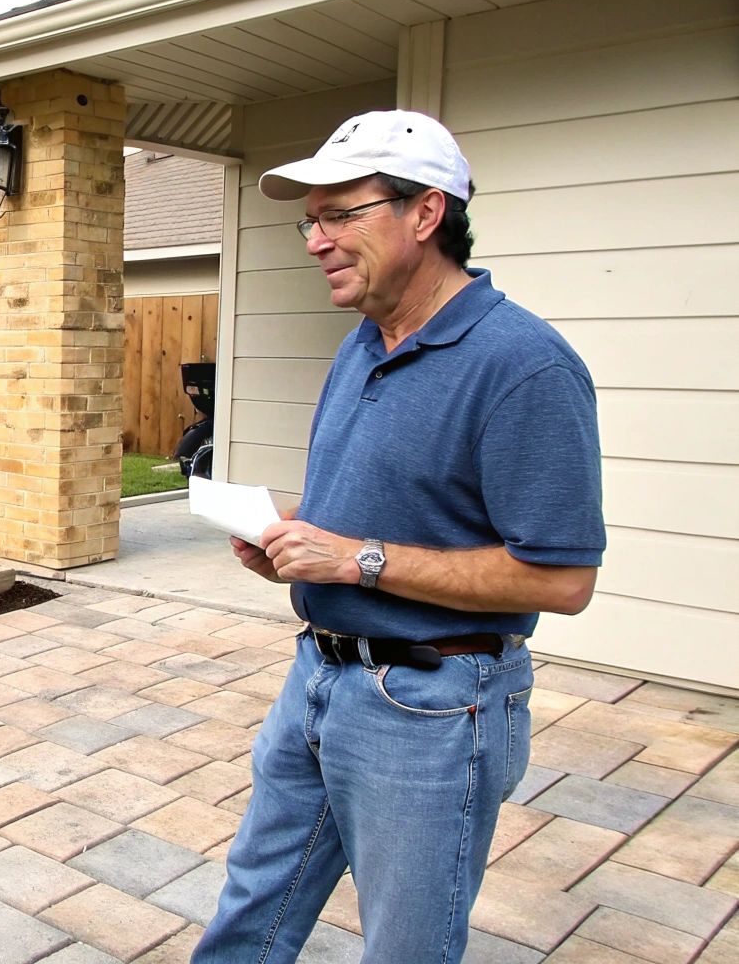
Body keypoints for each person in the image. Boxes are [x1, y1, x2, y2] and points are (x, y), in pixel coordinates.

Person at [193, 110, 605, 963]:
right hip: (316, 678)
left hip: (432, 708)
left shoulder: (524, 365)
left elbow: (562, 581)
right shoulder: (360, 346)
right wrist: (292, 538)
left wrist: (357, 561)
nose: (317, 240)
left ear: (425, 213)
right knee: (248, 919)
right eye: (312, 220)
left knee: (406, 949)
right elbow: (382, 514)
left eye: (342, 215)